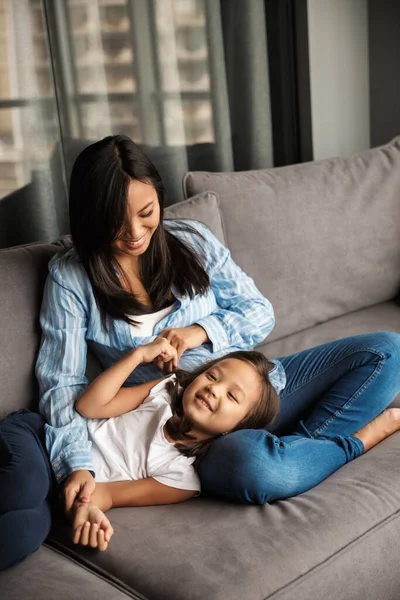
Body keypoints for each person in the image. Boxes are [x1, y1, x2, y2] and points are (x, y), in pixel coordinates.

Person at [12, 135, 400, 555]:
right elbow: (62, 387)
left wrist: (197, 332)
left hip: (252, 388)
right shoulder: (71, 279)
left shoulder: (192, 241)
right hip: (197, 431)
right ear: (91, 217)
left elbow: (259, 312)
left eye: (147, 214)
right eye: (117, 225)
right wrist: (79, 466)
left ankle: (296, 451)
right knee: (255, 467)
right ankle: (350, 444)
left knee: (388, 351)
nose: (137, 234)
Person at [1, 340, 280, 566]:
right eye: (212, 375)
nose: (214, 388)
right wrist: (137, 356)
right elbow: (90, 406)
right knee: (26, 485)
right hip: (43, 440)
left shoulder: (181, 478)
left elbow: (108, 494)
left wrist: (86, 506)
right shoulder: (163, 393)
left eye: (232, 396)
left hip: (62, 492)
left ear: (238, 429)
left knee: (25, 534)